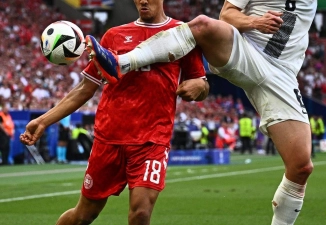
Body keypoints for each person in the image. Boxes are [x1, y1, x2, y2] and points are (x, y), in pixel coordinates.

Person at [86, 0, 326, 224]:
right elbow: (227, 15)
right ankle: (121, 62)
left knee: (301, 166)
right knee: (203, 24)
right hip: (246, 52)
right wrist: (255, 22)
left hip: (281, 75)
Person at [20, 0, 209, 224]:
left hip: (152, 141)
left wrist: (199, 87)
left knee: (140, 213)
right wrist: (43, 121)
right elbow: (84, 88)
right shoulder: (114, 36)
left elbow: (202, 83)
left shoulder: (181, 34)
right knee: (83, 216)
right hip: (108, 140)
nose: (143, 1)